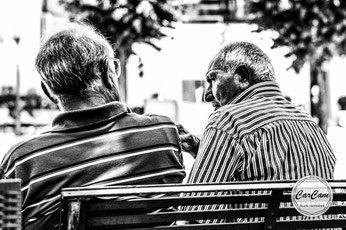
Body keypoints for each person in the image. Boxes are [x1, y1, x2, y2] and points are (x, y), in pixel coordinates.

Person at [0, 22, 185, 230]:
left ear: (48, 91)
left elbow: (6, 224)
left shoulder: (21, 162)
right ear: (109, 71)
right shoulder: (164, 135)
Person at [180, 41, 336, 184]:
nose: (207, 95)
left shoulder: (228, 120)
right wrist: (205, 151)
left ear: (242, 77)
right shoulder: (308, 123)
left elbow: (193, 207)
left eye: (212, 79)